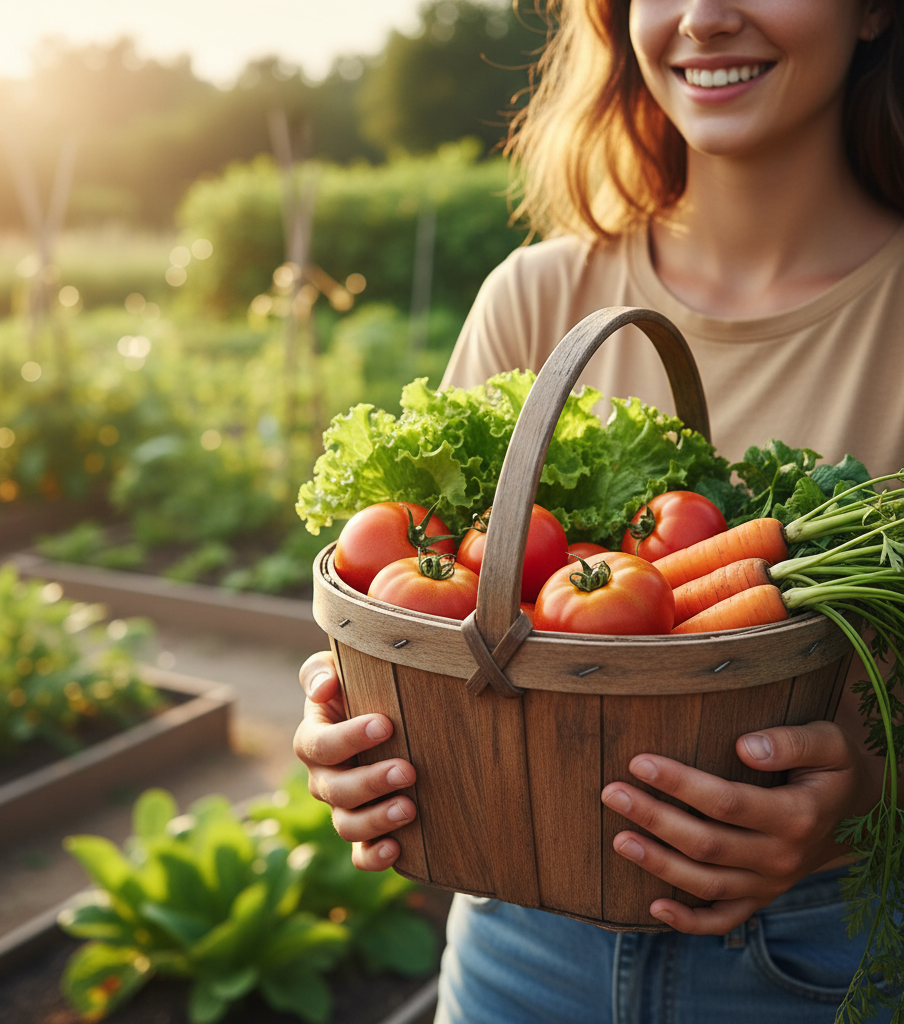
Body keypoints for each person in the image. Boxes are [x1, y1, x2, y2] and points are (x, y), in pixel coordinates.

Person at [295, 1, 904, 1020]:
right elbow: (417, 601)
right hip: (517, 946)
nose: (705, 17)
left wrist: (860, 799)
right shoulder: (537, 297)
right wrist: (347, 724)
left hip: (826, 952)